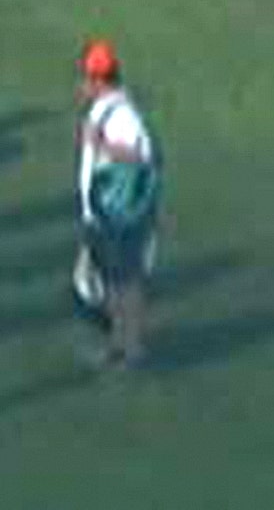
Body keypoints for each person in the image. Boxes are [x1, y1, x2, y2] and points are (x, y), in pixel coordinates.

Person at [75, 38, 161, 370]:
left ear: (98, 80)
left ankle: (132, 348)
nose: (80, 85)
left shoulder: (123, 115)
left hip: (120, 215)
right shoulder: (104, 108)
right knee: (110, 280)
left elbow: (142, 157)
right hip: (101, 212)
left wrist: (102, 144)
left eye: (84, 78)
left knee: (126, 281)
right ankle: (118, 343)